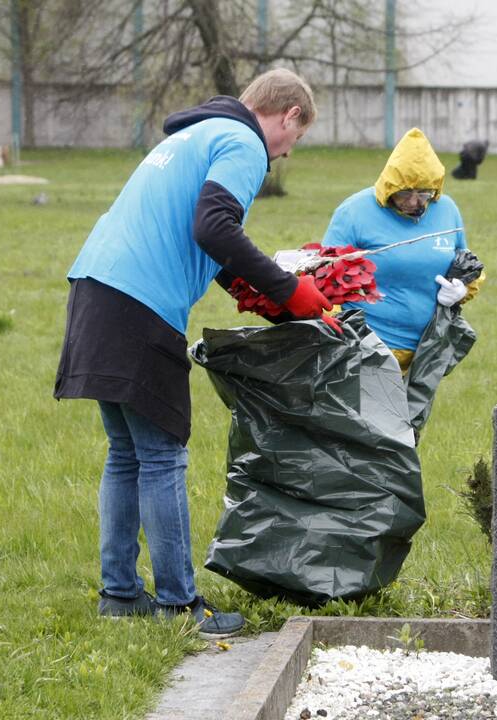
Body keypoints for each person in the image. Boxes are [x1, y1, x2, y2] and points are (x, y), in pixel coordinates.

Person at [54, 68, 333, 637]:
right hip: (139, 303)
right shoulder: (242, 143)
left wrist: (248, 289)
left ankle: (120, 595)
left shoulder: (193, 135)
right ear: (289, 116)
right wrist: (289, 289)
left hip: (95, 288)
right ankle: (181, 605)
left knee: (127, 453)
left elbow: (197, 231)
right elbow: (214, 227)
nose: (285, 152)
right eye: (294, 139)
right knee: (161, 455)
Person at [321, 127, 484, 373]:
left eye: (424, 193)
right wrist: (338, 332)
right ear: (391, 186)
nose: (414, 202)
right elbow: (323, 274)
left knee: (413, 413)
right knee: (372, 411)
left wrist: (462, 289)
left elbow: (466, 264)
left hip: (427, 351)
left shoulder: (447, 210)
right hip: (366, 348)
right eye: (406, 192)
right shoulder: (354, 212)